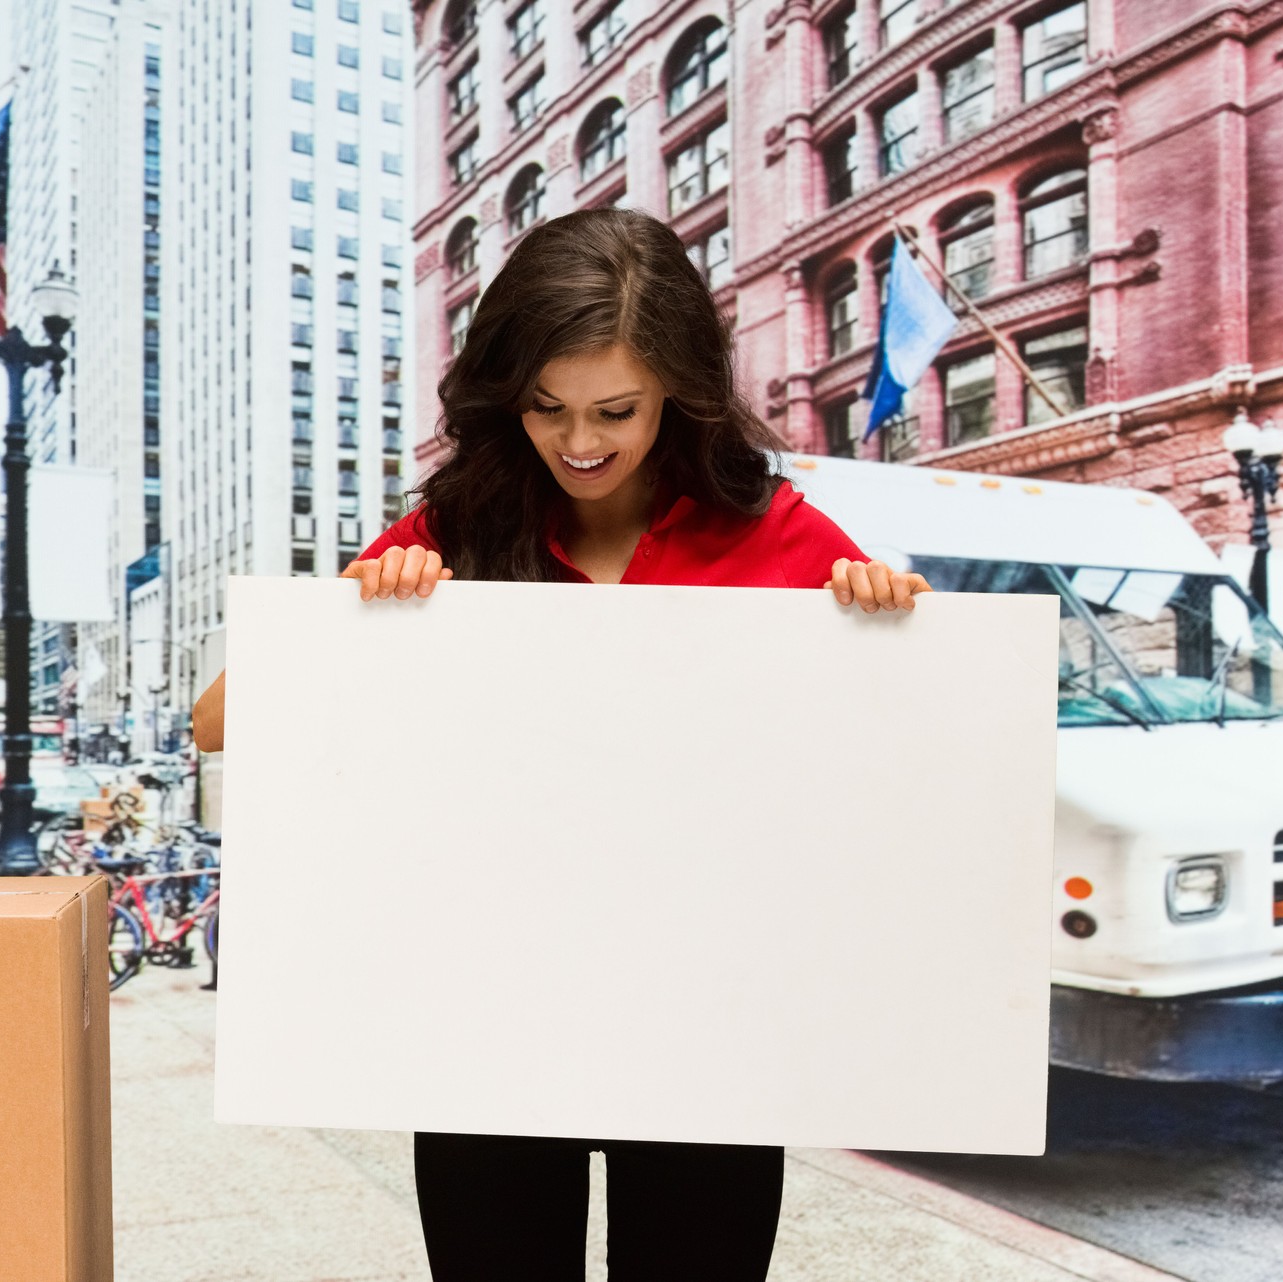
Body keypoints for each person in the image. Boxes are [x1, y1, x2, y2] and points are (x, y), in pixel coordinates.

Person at [189, 208, 930, 1281]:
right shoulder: (457, 528)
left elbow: (904, 765)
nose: (580, 442)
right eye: (547, 408)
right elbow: (219, 721)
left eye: (615, 410)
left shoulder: (778, 535)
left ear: (681, 388)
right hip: (489, 1027)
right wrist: (355, 626)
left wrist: (882, 624)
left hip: (705, 1038)